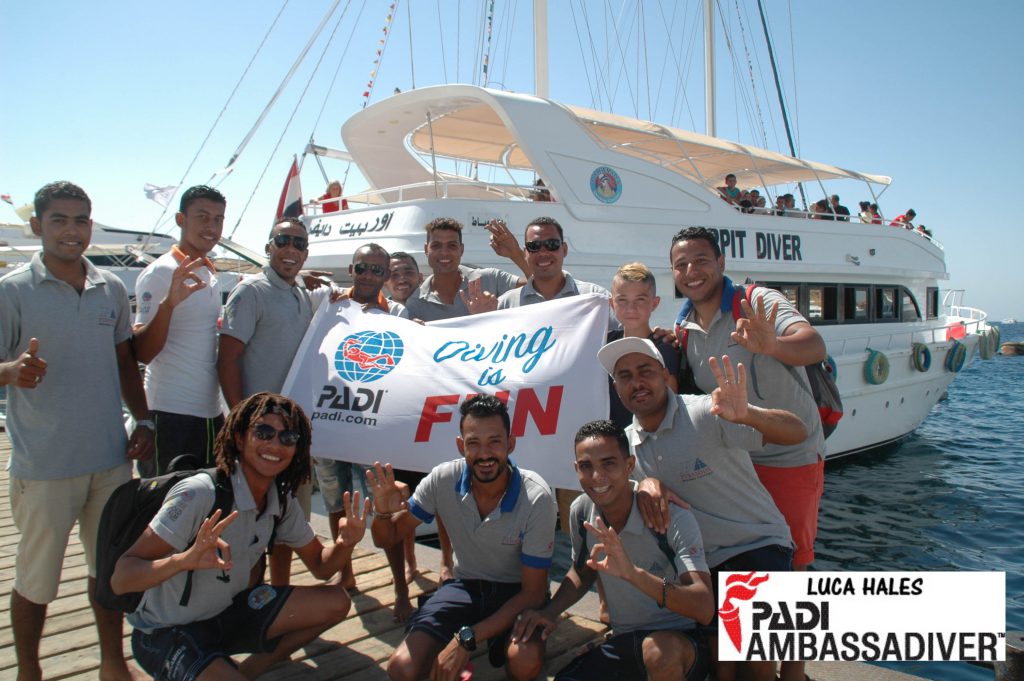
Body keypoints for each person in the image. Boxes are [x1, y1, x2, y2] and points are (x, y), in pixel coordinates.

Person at [0, 181, 154, 681]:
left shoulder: (110, 286)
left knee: (107, 573)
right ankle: (29, 670)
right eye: (60, 220)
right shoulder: (12, 290)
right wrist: (10, 372)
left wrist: (144, 418)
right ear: (37, 226)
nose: (72, 230)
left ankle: (113, 662)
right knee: (36, 580)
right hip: (44, 466)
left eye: (81, 219)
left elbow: (125, 361)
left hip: (110, 459)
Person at [112, 392, 367, 681]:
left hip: (226, 613)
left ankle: (245, 672)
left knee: (335, 601)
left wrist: (346, 542)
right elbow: (121, 578)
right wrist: (184, 560)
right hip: (166, 630)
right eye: (263, 432)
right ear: (238, 436)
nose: (275, 444)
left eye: (288, 438)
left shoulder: (280, 500)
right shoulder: (198, 494)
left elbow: (321, 568)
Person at [599, 337, 806, 681]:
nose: (636, 382)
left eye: (644, 371)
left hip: (755, 544)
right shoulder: (627, 447)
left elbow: (798, 431)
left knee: (757, 669)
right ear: (616, 387)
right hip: (701, 567)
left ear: (665, 376)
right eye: (624, 376)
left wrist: (749, 414)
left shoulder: (704, 412)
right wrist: (643, 486)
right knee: (722, 672)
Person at [670, 226, 827, 679]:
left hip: (791, 455)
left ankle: (793, 673)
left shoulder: (759, 301)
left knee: (794, 566)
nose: (691, 271)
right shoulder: (684, 326)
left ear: (720, 263)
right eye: (681, 264)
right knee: (748, 563)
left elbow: (813, 345)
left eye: (700, 260)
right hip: (739, 458)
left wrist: (772, 344)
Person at [366, 395, 556, 681]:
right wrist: (381, 512)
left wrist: (465, 638)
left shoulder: (537, 497)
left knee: (525, 662)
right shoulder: (443, 479)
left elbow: (534, 593)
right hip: (465, 586)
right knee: (401, 668)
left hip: (516, 592)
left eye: (494, 441)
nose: (485, 453)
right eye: (473, 443)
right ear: (460, 445)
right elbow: (387, 537)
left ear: (511, 443)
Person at [513, 420, 713, 681]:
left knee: (664, 653)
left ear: (629, 465)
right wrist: (549, 611)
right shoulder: (582, 510)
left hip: (684, 637)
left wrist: (633, 573)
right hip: (626, 638)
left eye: (608, 463)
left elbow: (704, 608)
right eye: (586, 466)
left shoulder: (668, 516)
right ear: (576, 469)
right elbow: (582, 570)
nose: (597, 476)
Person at [218, 217, 338, 586]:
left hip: (290, 436)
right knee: (247, 525)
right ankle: (246, 595)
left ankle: (278, 593)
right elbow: (227, 358)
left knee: (288, 520)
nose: (291, 249)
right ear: (269, 245)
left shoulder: (302, 293)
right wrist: (240, 424)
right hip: (254, 435)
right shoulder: (250, 292)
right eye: (283, 241)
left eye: (299, 244)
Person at [496, 215, 615, 535]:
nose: (543, 251)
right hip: (529, 433)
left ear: (564, 249)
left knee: (583, 528)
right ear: (526, 251)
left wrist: (660, 335)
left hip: (582, 433)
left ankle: (586, 583)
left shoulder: (595, 298)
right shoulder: (506, 304)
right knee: (526, 525)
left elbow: (630, 333)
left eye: (551, 244)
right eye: (535, 246)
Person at [133, 185, 226, 477]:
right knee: (164, 512)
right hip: (171, 415)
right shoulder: (162, 272)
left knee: (206, 512)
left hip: (211, 416)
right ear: (180, 219)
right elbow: (142, 352)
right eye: (202, 216)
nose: (211, 226)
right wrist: (168, 305)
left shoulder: (208, 273)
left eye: (218, 219)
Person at [403, 217, 529, 321]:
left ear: (461, 249)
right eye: (436, 246)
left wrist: (516, 254)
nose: (444, 252)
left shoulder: (490, 279)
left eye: (452, 246)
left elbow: (540, 288)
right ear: (426, 250)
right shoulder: (415, 303)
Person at [607, 262, 679, 429]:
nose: (631, 308)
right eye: (622, 300)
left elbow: (670, 409)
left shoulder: (665, 348)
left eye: (640, 300)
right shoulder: (603, 343)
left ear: (654, 303)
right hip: (615, 442)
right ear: (612, 303)